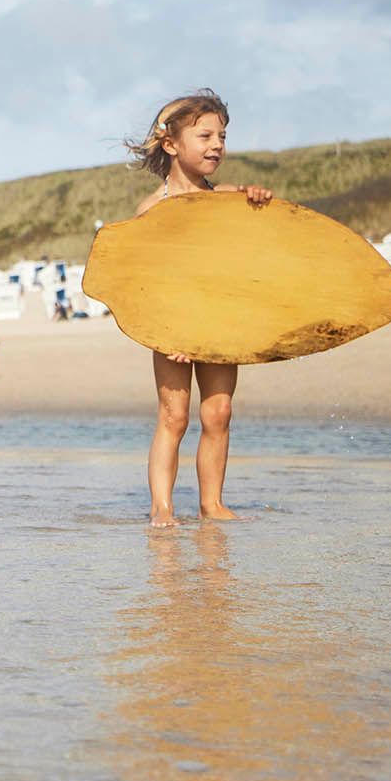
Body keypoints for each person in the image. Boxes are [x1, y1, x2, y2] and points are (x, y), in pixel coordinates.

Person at [126, 89, 274, 527]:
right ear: (171, 144)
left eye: (222, 137)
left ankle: (212, 504)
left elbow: (264, 243)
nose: (217, 145)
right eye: (205, 135)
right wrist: (163, 332)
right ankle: (162, 507)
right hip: (171, 326)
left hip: (218, 320)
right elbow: (141, 282)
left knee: (219, 412)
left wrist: (258, 202)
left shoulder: (227, 198)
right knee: (174, 416)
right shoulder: (152, 210)